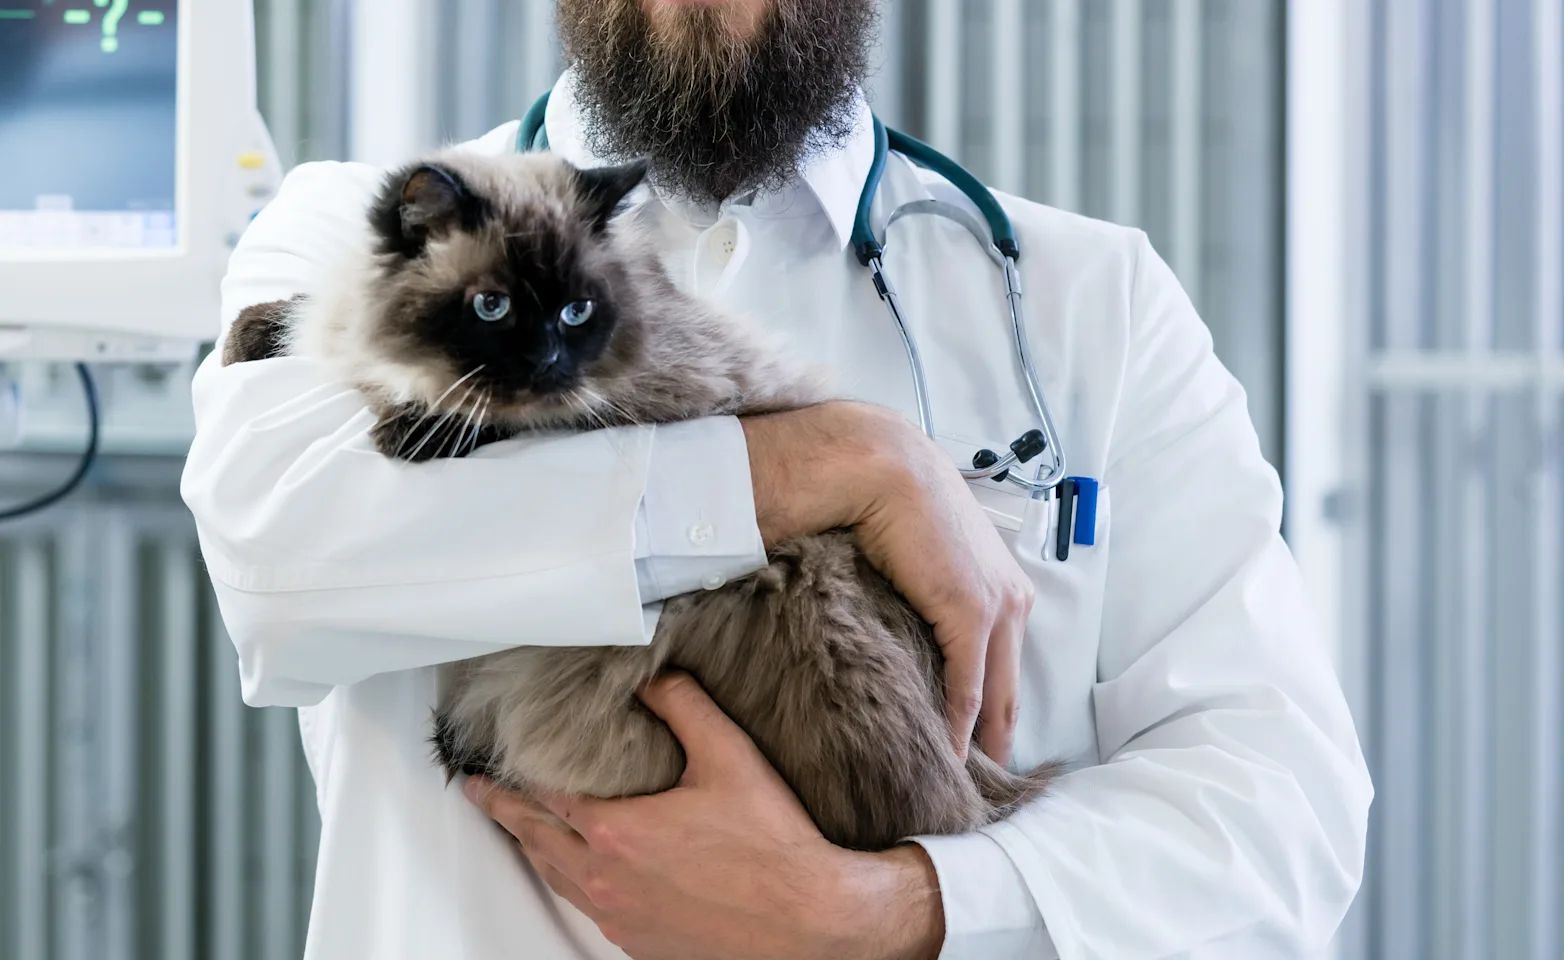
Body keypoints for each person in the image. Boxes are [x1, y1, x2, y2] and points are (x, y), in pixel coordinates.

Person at [182, 0, 1373, 957]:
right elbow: (274, 560)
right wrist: (837, 465)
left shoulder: (1089, 296)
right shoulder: (350, 225)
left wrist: (897, 911)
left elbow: (1282, 814)